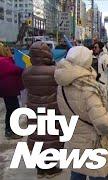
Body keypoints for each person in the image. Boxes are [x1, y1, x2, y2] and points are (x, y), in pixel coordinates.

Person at [54, 46, 108, 180]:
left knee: (78, 173)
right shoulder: (88, 88)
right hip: (93, 144)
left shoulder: (62, 84)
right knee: (97, 175)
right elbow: (103, 123)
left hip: (74, 140)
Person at [22, 41, 63, 178]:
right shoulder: (54, 72)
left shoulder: (26, 72)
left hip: (33, 110)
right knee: (51, 137)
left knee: (36, 137)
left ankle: (40, 169)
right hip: (51, 109)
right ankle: (50, 168)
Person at [0, 43, 24, 139]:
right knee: (12, 110)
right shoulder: (3, 61)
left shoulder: (6, 60)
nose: (9, 51)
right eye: (7, 49)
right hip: (8, 90)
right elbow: (16, 69)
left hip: (10, 90)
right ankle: (10, 131)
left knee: (12, 109)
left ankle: (10, 130)